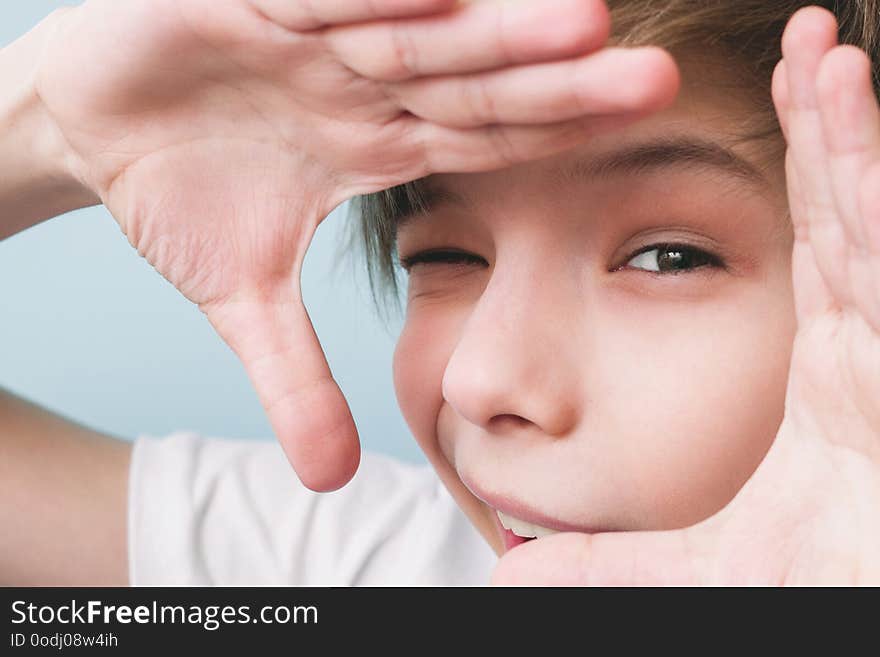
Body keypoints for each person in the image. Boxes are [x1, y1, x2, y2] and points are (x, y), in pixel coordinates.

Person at [1, 0, 877, 585]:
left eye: (670, 258)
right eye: (447, 253)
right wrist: (40, 121)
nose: (477, 379)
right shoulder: (366, 562)